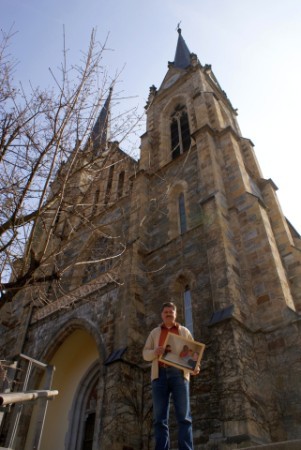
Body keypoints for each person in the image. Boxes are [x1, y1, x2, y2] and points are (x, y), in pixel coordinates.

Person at [143, 301, 200, 450]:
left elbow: (193, 355)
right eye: (166, 312)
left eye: (171, 312)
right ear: (162, 315)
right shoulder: (154, 333)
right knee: (159, 419)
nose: (168, 314)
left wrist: (195, 367)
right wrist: (154, 352)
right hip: (159, 375)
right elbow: (145, 354)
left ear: (175, 314)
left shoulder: (185, 331)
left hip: (179, 375)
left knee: (184, 417)